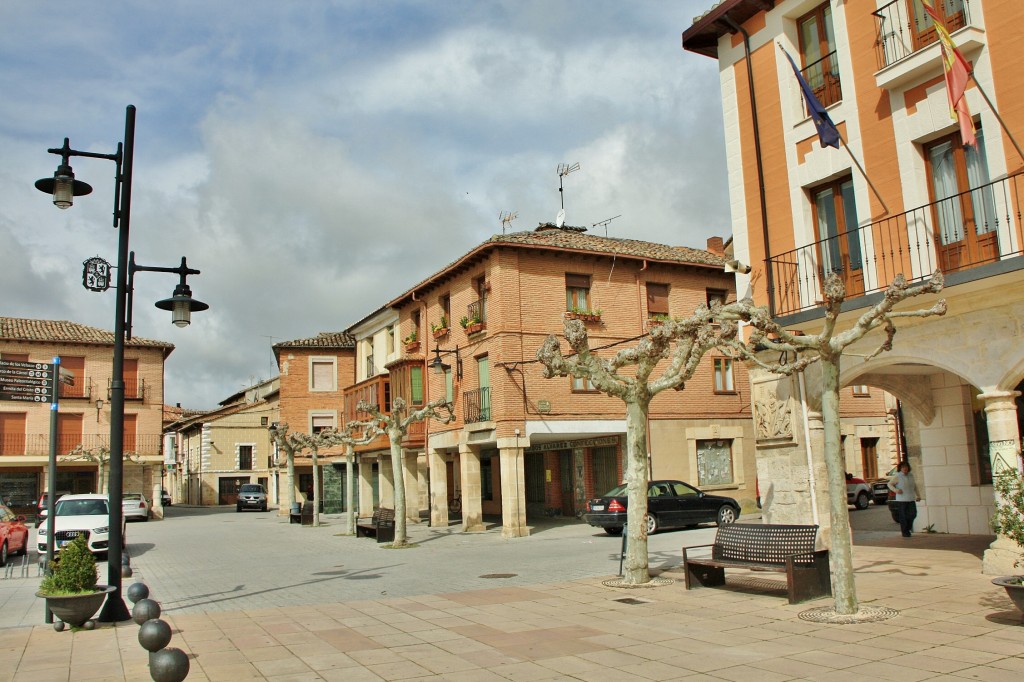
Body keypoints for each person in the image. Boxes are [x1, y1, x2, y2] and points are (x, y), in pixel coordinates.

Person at [888, 461, 921, 537]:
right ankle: (905, 532)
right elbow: (889, 484)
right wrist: (896, 490)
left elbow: (914, 486)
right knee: (903, 516)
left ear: (908, 468)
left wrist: (918, 495)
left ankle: (908, 528)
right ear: (900, 469)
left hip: (911, 498)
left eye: (906, 467)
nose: (905, 468)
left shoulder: (911, 475)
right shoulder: (898, 476)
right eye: (903, 467)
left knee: (913, 514)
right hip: (902, 500)